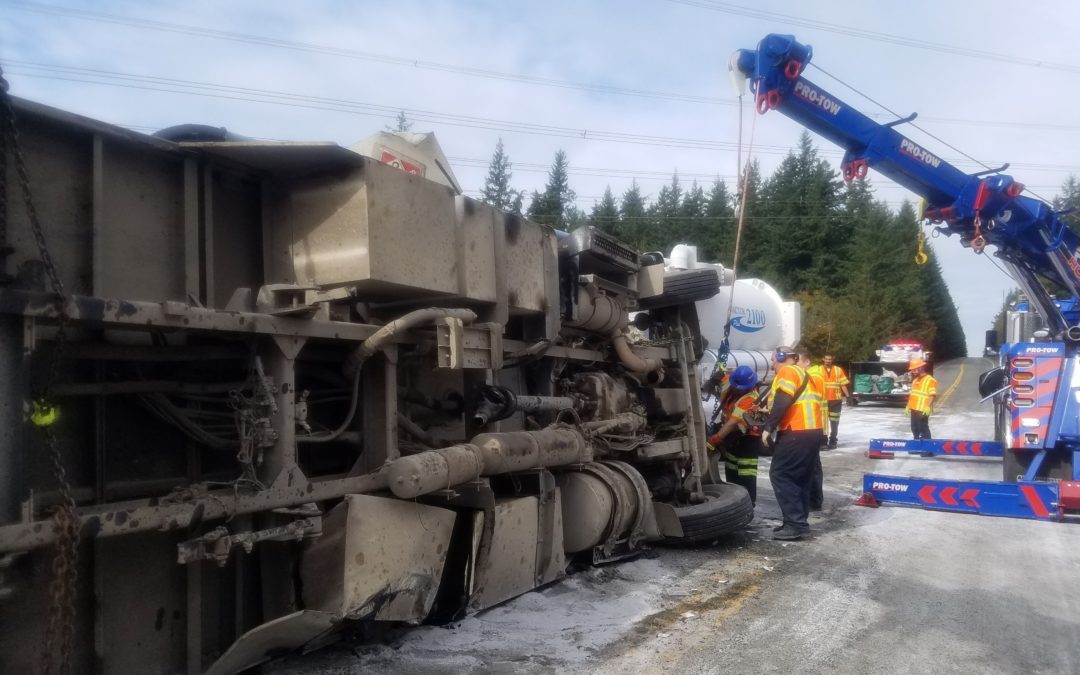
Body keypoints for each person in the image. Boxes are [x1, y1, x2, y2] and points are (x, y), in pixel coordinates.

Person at [762, 346, 824, 540]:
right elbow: (793, 403)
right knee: (800, 477)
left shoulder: (787, 371)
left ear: (781, 358)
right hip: (811, 431)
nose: (772, 364)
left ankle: (795, 524)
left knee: (780, 474)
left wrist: (768, 427)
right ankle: (796, 521)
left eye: (773, 360)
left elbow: (784, 398)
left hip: (796, 431)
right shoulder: (802, 373)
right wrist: (769, 413)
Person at [706, 365, 764, 505]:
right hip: (733, 438)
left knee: (746, 473)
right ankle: (735, 500)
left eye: (741, 388)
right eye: (736, 386)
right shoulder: (730, 383)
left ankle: (749, 503)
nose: (738, 389)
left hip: (747, 440)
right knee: (731, 469)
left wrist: (715, 439)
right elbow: (718, 381)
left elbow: (732, 423)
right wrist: (715, 378)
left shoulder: (751, 398)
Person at [799, 351, 827, 512]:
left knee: (812, 466)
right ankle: (815, 499)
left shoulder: (813, 377)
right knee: (813, 464)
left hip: (810, 427)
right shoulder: (815, 376)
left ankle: (815, 499)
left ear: (807, 362)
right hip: (814, 426)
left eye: (799, 361)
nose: (796, 365)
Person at [808, 353, 851, 449]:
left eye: (830, 359)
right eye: (826, 359)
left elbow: (843, 384)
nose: (828, 361)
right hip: (822, 400)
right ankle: (823, 442)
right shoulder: (817, 370)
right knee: (823, 422)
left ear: (832, 360)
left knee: (834, 422)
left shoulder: (838, 370)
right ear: (823, 359)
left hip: (836, 400)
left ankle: (833, 441)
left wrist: (848, 396)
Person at [907, 357, 937, 439]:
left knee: (923, 428)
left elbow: (932, 395)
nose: (912, 371)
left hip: (922, 410)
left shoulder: (930, 380)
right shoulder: (915, 380)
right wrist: (908, 406)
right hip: (914, 409)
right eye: (912, 370)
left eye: (914, 369)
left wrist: (928, 407)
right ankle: (917, 446)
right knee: (914, 428)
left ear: (920, 368)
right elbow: (912, 395)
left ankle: (927, 450)